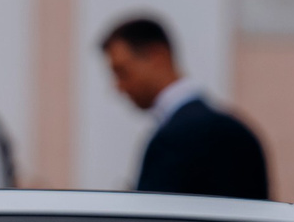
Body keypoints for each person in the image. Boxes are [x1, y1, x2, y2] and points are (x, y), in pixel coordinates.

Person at [100, 15, 273, 200]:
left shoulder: (178, 136)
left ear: (156, 55)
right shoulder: (230, 127)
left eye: (122, 71)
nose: (118, 86)